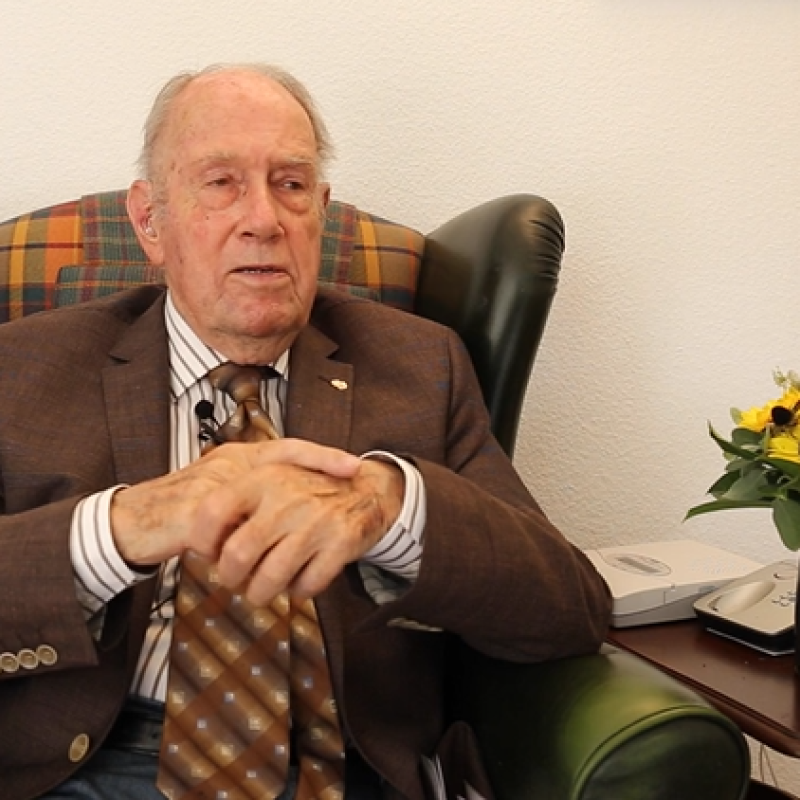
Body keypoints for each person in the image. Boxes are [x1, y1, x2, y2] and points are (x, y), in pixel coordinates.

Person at [0, 63, 611, 800]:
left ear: (320, 212)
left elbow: (569, 610)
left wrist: (392, 507)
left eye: (290, 184)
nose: (264, 219)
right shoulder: (23, 370)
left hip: (342, 771)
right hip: (93, 768)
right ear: (150, 222)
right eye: (220, 183)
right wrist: (122, 527)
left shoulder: (421, 366)